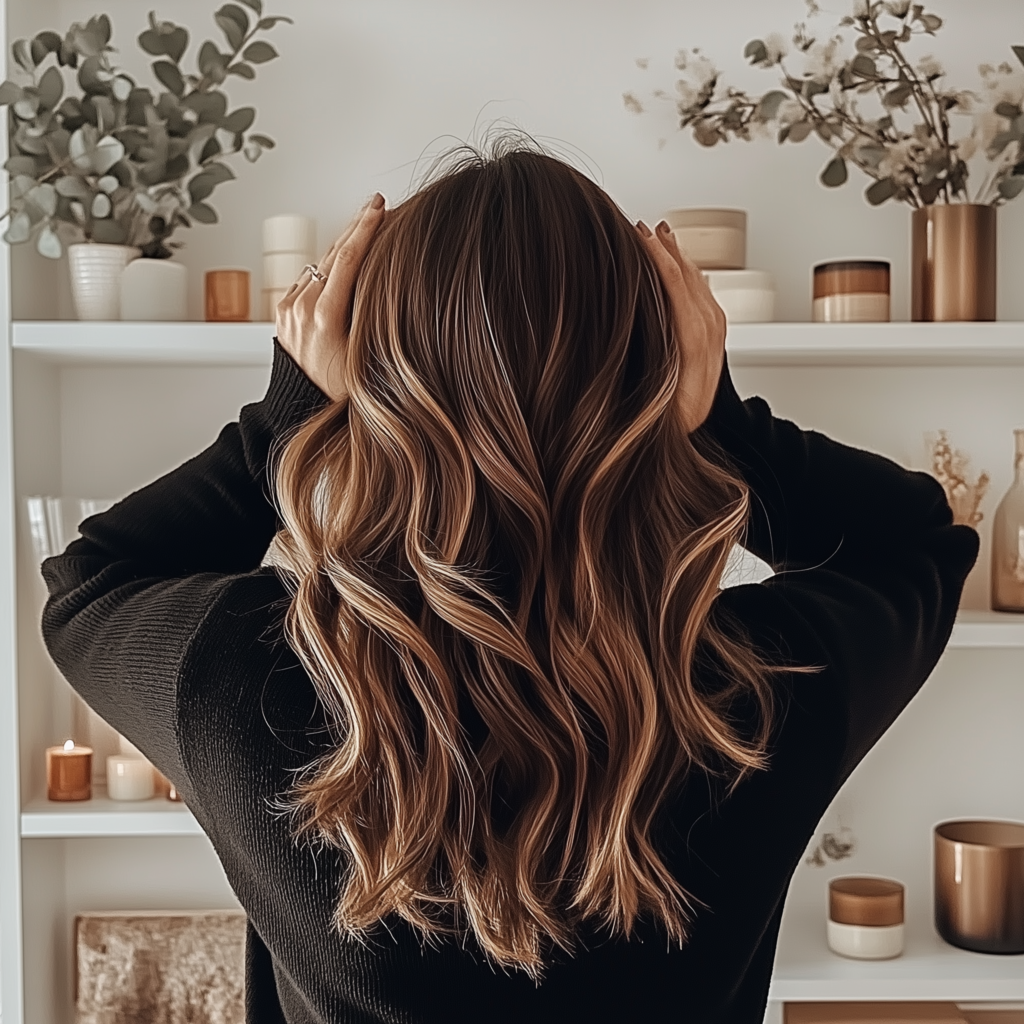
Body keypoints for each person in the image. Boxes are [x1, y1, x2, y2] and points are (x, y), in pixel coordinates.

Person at [41, 145, 978, 1024]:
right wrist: (720, 425)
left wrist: (288, 416)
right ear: (655, 379)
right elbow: (918, 542)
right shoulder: (761, 688)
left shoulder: (252, 678)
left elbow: (89, 582)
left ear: (371, 382)